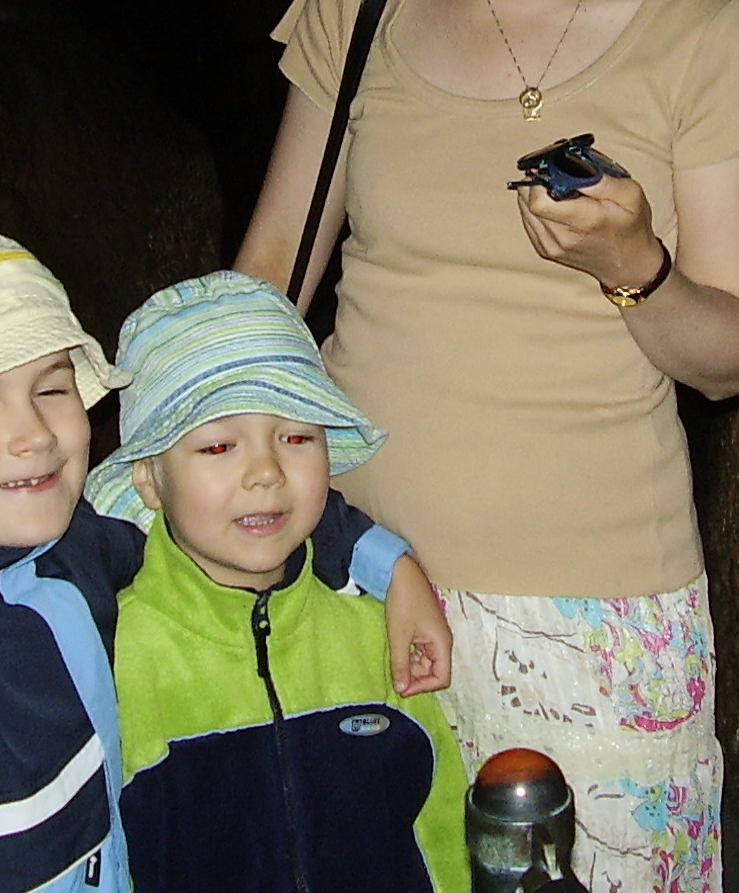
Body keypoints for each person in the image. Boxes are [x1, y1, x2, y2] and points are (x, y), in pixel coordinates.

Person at [234, 0, 739, 892]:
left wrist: (635, 265)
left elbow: (729, 358)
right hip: (349, 578)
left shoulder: (703, 32)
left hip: (594, 611)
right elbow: (269, 276)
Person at [0, 228, 445, 893]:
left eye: (51, 389)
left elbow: (232, 518)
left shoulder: (66, 549)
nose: (33, 433)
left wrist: (389, 566)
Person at [85, 271, 469, 893]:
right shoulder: (114, 656)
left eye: (296, 437)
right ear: (150, 479)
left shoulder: (376, 633)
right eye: (218, 447)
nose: (266, 471)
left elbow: (440, 827)